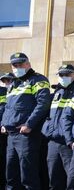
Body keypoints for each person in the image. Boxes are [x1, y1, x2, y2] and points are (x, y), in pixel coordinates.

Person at [1, 52, 51, 190]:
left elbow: (43, 104)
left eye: (20, 64)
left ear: (28, 64)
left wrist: (29, 124)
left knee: (28, 175)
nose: (17, 67)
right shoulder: (13, 84)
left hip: (26, 134)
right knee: (11, 174)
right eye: (14, 65)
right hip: (11, 135)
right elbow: (8, 107)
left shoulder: (38, 80)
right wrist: (3, 124)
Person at [42, 64, 74, 190]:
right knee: (53, 178)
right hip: (53, 142)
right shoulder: (57, 92)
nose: (64, 77)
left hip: (70, 143)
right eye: (61, 75)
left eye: (67, 74)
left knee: (73, 179)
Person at [0, 73, 14, 189]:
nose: (6, 84)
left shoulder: (5, 92)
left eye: (9, 81)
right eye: (4, 81)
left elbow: (4, 110)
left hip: (4, 131)